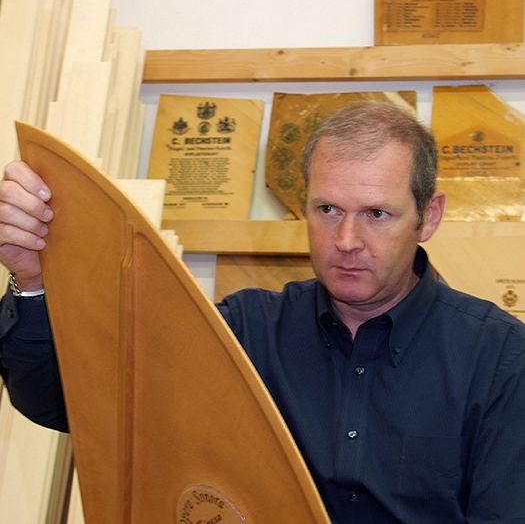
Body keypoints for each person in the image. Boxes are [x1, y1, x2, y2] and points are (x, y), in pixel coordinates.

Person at [0, 101, 524, 523]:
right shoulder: (244, 331)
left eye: (377, 214)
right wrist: (33, 280)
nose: (346, 240)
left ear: (428, 216)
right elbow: (69, 403)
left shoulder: (500, 358)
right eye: (327, 210)